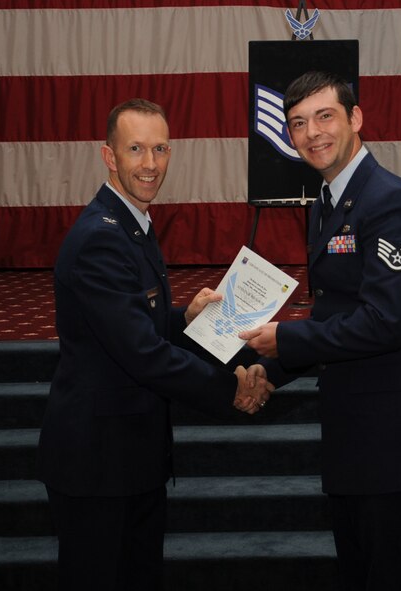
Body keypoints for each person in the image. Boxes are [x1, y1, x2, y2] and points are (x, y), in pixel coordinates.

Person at [37, 98, 272, 591]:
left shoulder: (131, 225)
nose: (150, 163)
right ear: (109, 156)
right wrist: (229, 385)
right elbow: (141, 354)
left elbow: (131, 325)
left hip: (131, 458)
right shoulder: (101, 238)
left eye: (160, 148)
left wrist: (180, 316)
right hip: (99, 466)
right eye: (136, 149)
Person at [239, 71, 401, 591]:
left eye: (324, 116)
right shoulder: (328, 202)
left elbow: (385, 323)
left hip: (392, 443)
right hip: (353, 439)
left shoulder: (389, 201)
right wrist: (270, 372)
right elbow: (333, 316)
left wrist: (285, 340)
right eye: (297, 123)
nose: (312, 132)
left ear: (355, 118)